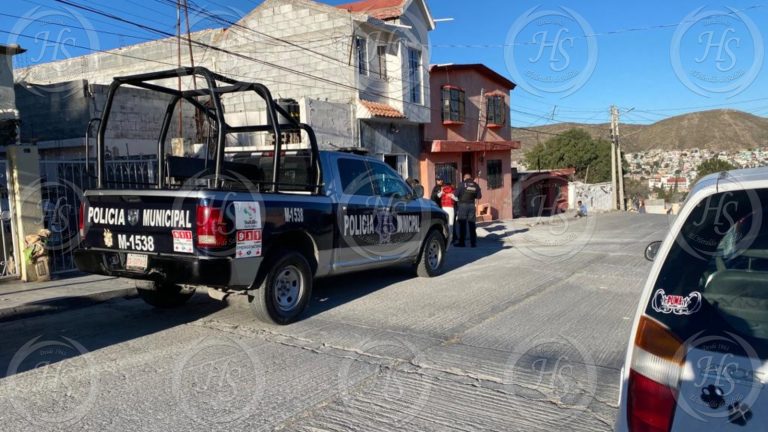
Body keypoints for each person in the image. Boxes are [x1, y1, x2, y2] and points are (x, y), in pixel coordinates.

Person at [455, 173, 482, 247]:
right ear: (471, 178)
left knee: (462, 224)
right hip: (472, 206)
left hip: (463, 206)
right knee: (472, 224)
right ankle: (473, 243)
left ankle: (462, 243)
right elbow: (479, 196)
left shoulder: (461, 184)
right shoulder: (475, 185)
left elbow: (455, 195)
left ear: (464, 178)